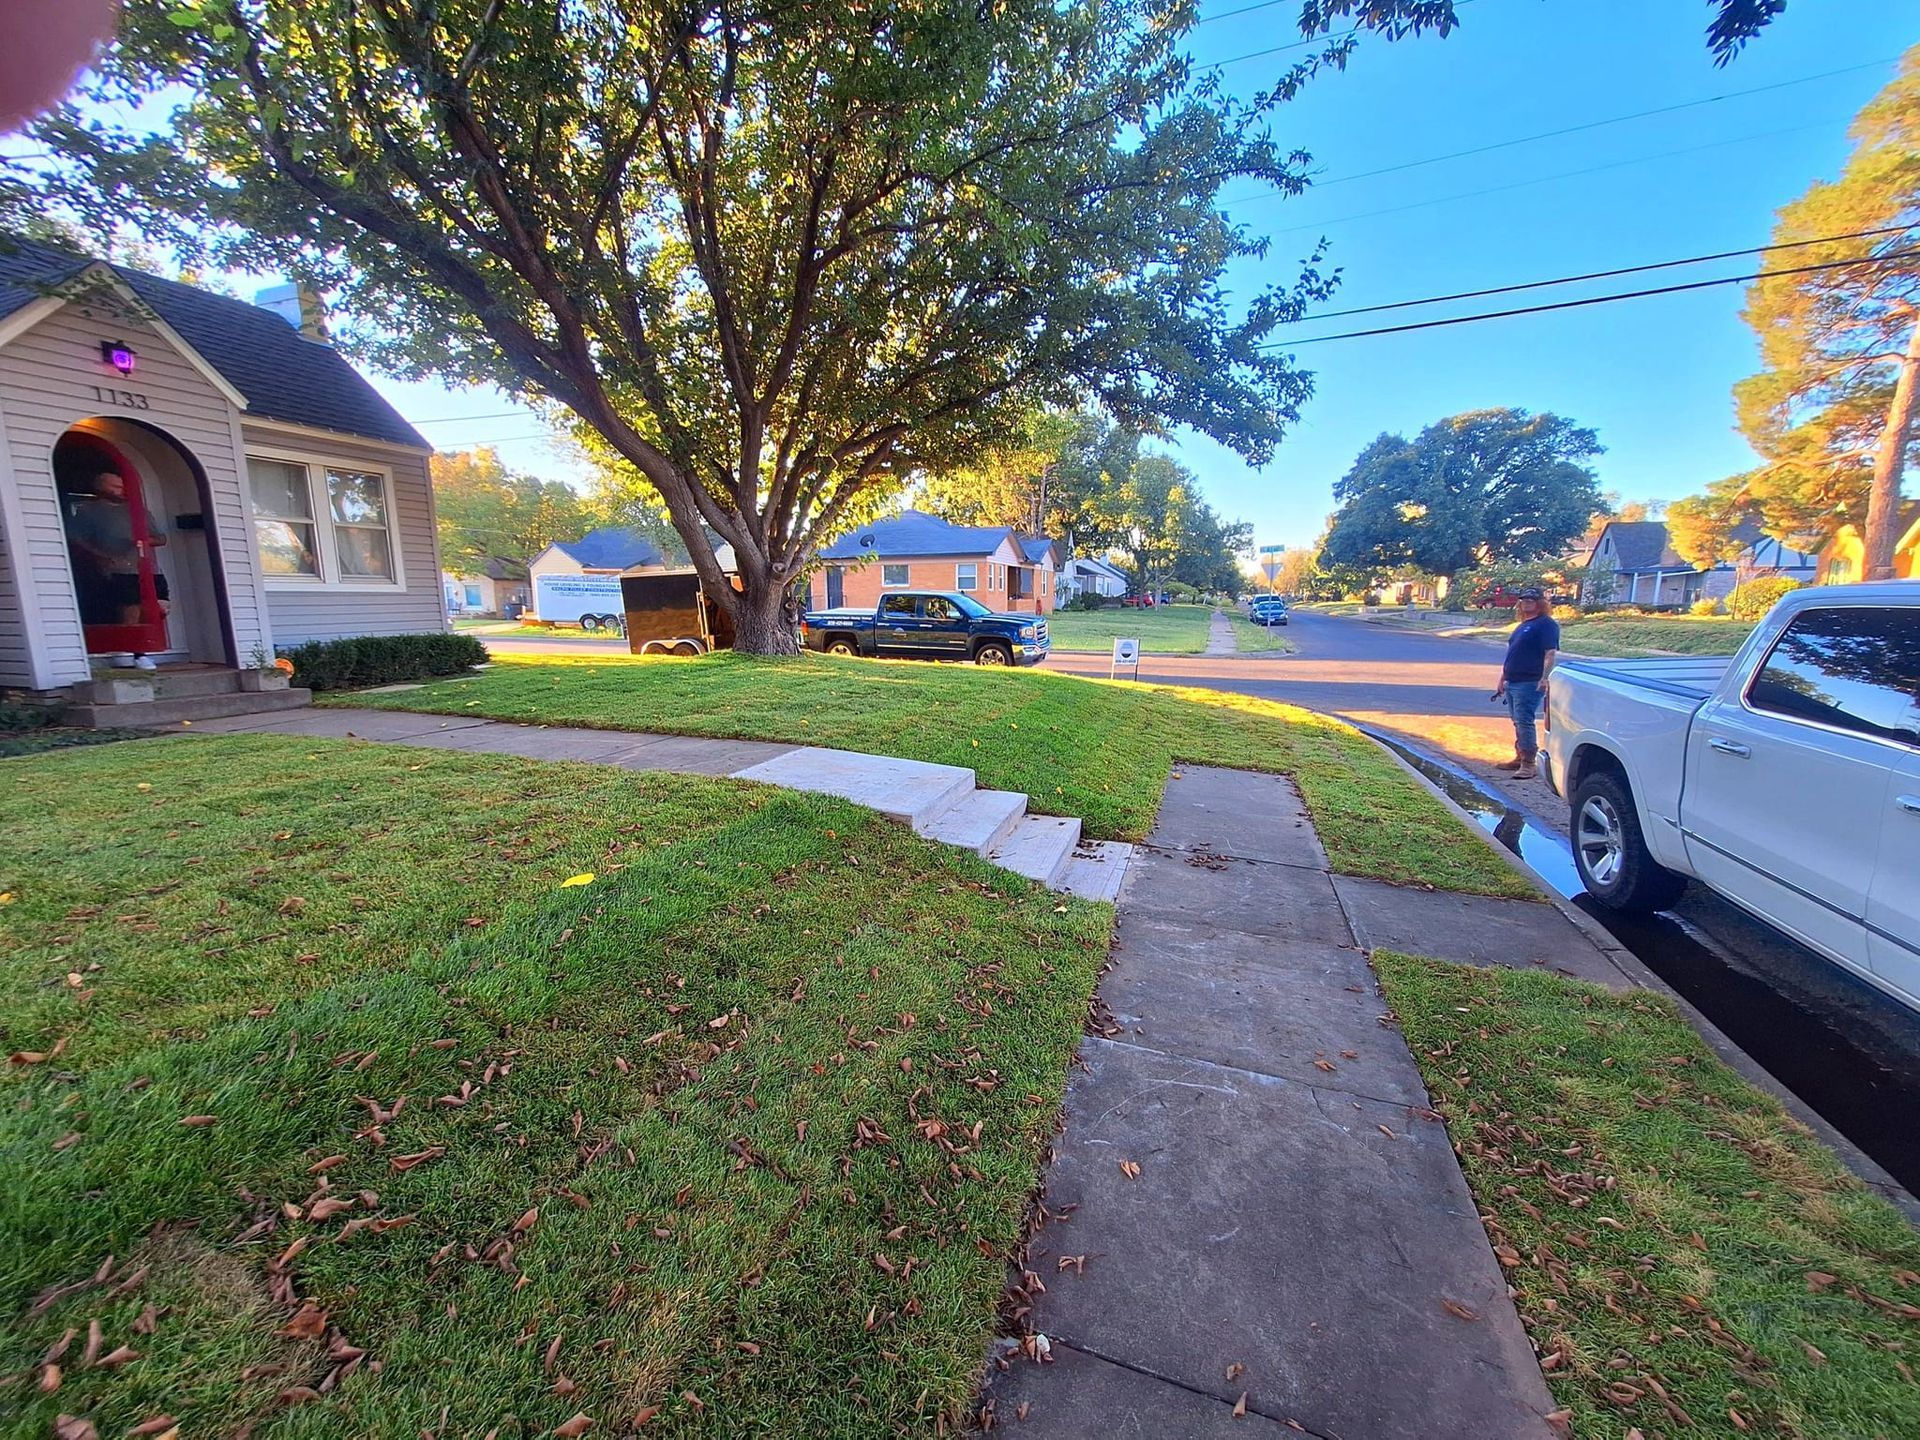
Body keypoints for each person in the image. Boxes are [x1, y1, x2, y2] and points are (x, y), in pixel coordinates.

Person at [65, 468, 168, 668]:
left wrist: (142, 540)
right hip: (117, 569)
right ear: (100, 487)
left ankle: (149, 644)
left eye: (121, 486)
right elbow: (76, 540)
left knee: (160, 606)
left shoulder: (138, 511)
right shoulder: (88, 511)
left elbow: (161, 538)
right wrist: (101, 556)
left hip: (148, 568)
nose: (119, 490)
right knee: (130, 610)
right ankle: (137, 653)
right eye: (114, 486)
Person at [1492, 586, 1558, 781]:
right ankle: (1520, 756)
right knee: (1517, 720)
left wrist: (1545, 677)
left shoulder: (1546, 624)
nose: (1527, 602)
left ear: (1540, 603)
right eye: (1524, 599)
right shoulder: (1522, 625)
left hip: (1529, 681)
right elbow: (1512, 654)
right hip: (1513, 680)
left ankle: (1529, 764)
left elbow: (1550, 653)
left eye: (1531, 599)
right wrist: (1503, 678)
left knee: (1524, 720)